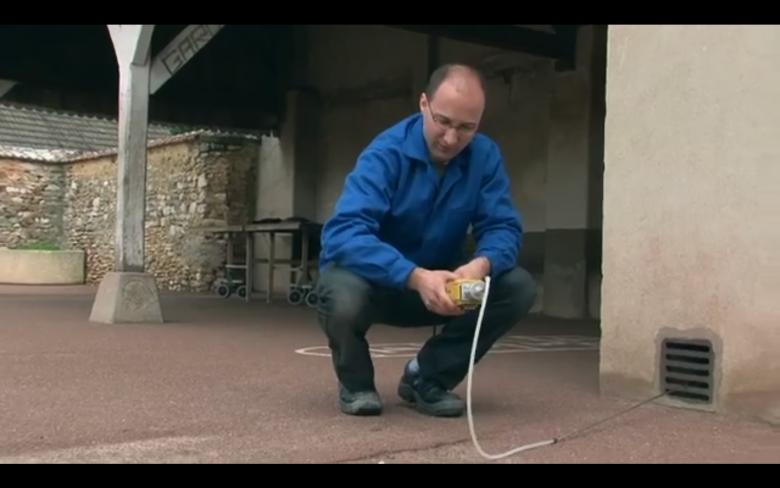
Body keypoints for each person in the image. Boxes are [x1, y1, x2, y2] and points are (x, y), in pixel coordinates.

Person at [314, 63, 537, 418]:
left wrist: (480, 265)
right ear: (423, 104)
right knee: (340, 293)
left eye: (467, 128)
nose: (451, 139)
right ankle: (356, 384)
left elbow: (503, 227)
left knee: (517, 287)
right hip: (377, 287)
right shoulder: (384, 154)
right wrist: (414, 276)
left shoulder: (486, 157)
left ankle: (426, 377)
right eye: (443, 122)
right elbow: (343, 232)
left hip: (443, 290)